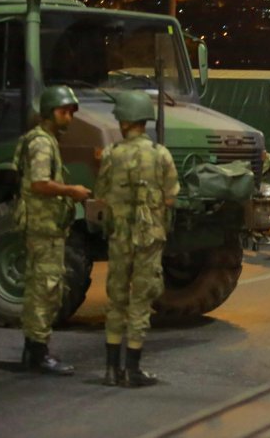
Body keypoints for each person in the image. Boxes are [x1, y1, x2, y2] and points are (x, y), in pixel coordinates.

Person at [96, 91, 178, 387]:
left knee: (116, 299)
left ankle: (109, 369)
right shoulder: (161, 155)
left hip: (119, 237)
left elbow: (101, 195)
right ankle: (132, 369)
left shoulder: (111, 154)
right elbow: (171, 198)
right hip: (148, 238)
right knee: (140, 301)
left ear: (126, 122)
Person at [13, 85, 92, 375]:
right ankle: (37, 353)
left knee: (44, 287)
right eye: (64, 111)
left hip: (47, 226)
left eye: (71, 112)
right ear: (49, 112)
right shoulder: (42, 144)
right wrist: (72, 190)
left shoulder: (44, 140)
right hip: (42, 227)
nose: (69, 117)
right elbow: (39, 183)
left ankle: (34, 351)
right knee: (44, 289)